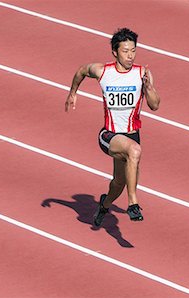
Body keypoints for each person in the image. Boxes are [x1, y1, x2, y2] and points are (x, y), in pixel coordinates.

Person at [65, 27, 160, 227]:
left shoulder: (143, 73)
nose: (130, 55)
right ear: (115, 52)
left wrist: (148, 88)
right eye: (125, 51)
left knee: (119, 182)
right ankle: (133, 203)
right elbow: (82, 70)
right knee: (134, 151)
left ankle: (104, 204)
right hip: (109, 135)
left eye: (133, 50)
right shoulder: (103, 71)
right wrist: (73, 92)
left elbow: (155, 105)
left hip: (132, 134)